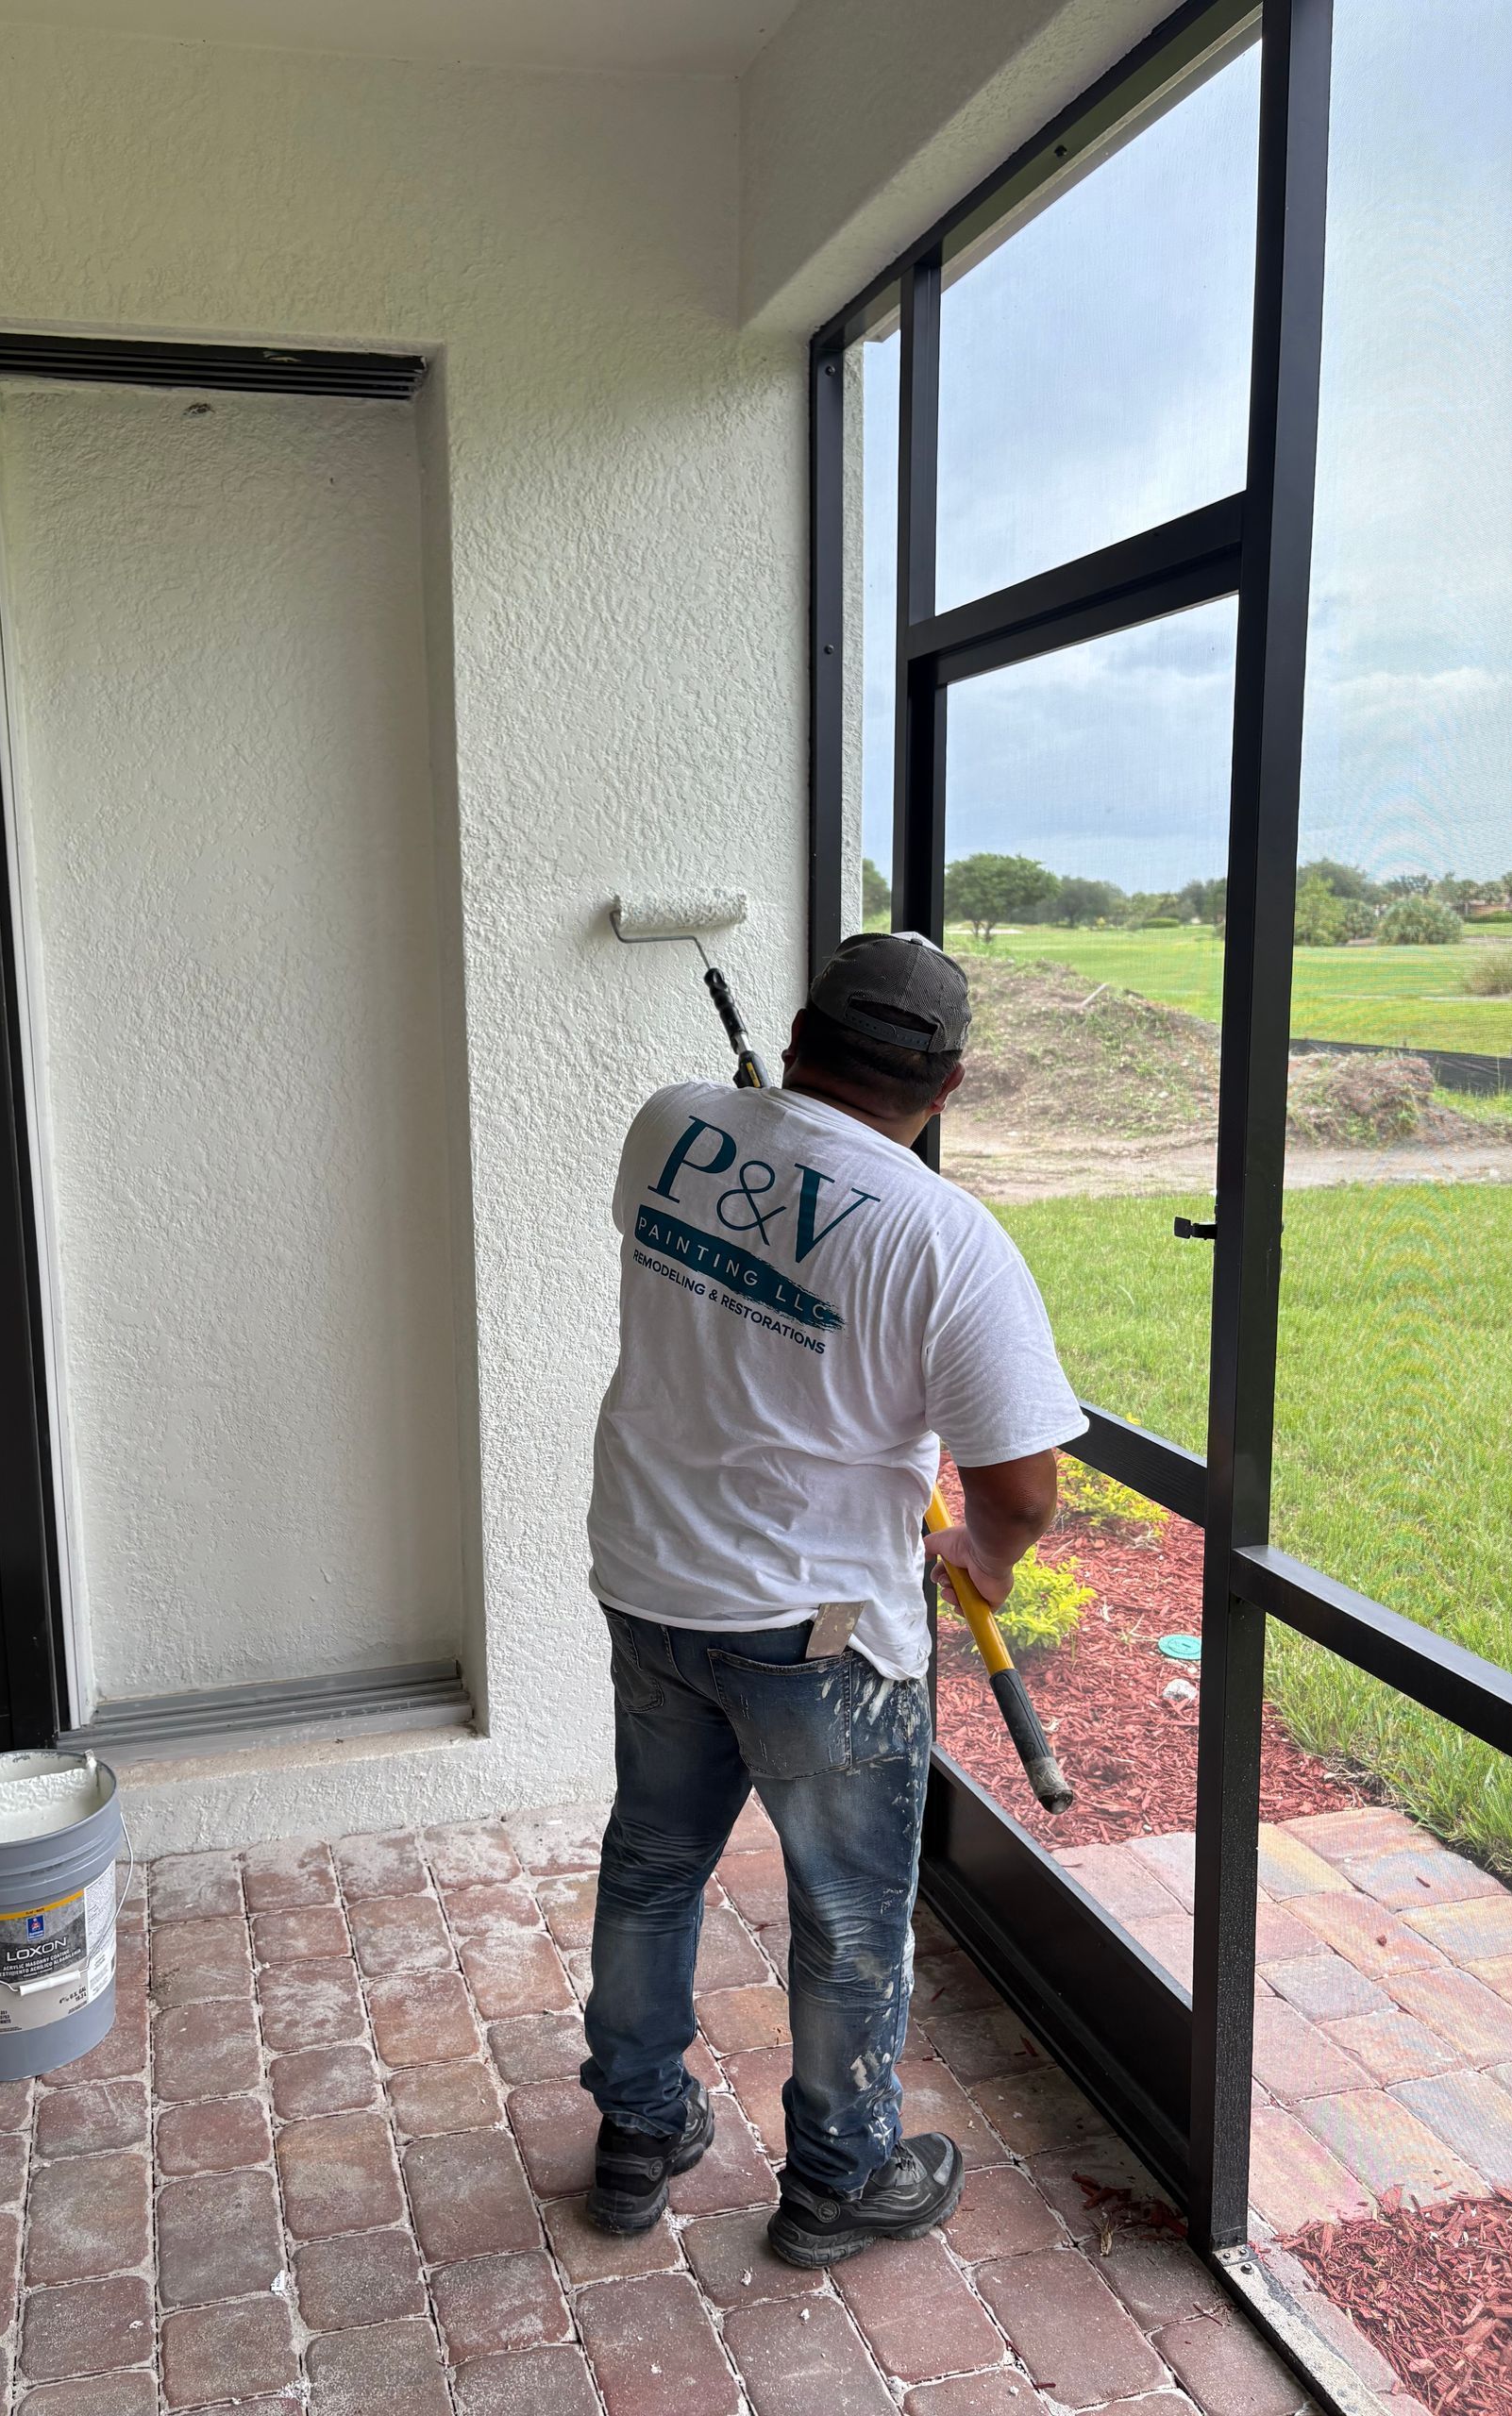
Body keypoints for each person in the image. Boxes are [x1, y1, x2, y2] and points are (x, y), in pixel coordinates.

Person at [580, 929, 1086, 2266]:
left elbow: (733, 1284)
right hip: (821, 1635)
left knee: (651, 1867)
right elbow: (1021, 1493)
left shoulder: (672, 1126)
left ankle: (637, 2132)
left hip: (649, 1584)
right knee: (850, 1921)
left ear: (797, 1039)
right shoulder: (946, 1240)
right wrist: (986, 1558)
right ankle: (839, 2181)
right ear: (952, 1084)